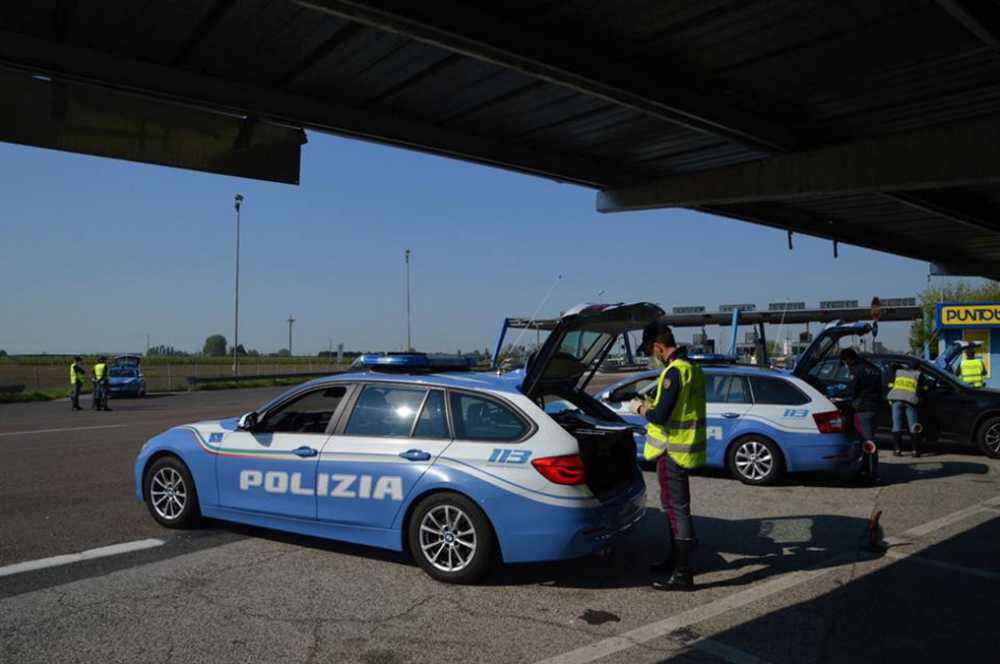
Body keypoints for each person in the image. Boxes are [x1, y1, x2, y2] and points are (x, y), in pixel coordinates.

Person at [630, 320, 707, 591]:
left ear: (659, 347)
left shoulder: (674, 373)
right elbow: (678, 408)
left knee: (676, 511)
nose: (653, 357)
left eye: (652, 352)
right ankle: (676, 561)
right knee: (679, 508)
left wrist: (639, 408)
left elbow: (661, 416)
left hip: (673, 450)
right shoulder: (692, 369)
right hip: (686, 448)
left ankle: (683, 574)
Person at [840, 348, 882, 483]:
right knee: (868, 439)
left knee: (868, 441)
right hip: (875, 407)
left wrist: (841, 396)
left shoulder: (857, 370)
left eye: (845, 362)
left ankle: (873, 473)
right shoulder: (874, 368)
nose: (847, 365)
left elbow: (852, 390)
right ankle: (865, 468)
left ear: (848, 359)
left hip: (863, 408)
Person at [887, 363, 922, 458]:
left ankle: (897, 450)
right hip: (910, 401)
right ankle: (915, 451)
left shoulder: (898, 372)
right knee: (913, 426)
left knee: (896, 426)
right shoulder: (917, 374)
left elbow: (890, 384)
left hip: (896, 399)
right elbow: (922, 389)